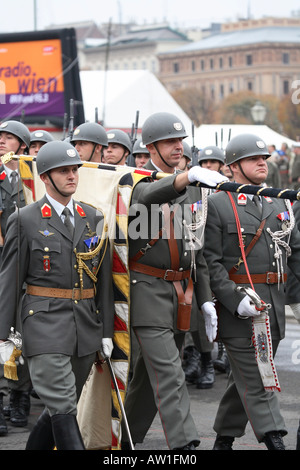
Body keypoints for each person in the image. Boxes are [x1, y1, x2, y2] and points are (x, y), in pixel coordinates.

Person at [121, 112, 226, 450]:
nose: (178, 147)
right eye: (169, 142)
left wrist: (206, 299)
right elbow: (145, 198)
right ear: (150, 147)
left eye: (180, 141)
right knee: (170, 374)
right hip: (147, 292)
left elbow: (199, 250)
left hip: (181, 294)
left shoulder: (194, 190)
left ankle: (123, 444)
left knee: (148, 383)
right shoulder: (134, 179)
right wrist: (183, 179)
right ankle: (186, 446)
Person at [0, 140, 115, 450]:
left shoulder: (93, 217)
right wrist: (4, 337)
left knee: (58, 410)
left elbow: (102, 279)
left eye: (74, 170)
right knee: (63, 406)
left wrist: (105, 330)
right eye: (63, 171)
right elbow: (9, 281)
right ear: (45, 178)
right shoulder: (25, 220)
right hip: (43, 324)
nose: (72, 176)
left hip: (83, 327)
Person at [204, 133, 300, 450]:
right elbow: (210, 262)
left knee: (246, 375)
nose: (262, 162)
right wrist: (232, 298)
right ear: (233, 167)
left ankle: (224, 437)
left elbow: (296, 253)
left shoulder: (279, 201)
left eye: (264, 158)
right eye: (253, 159)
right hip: (241, 307)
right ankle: (275, 439)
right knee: (259, 377)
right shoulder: (218, 203)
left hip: (274, 303)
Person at [0, 120, 31, 435]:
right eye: (0, 136)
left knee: (21, 335)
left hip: (23, 267)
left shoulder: (30, 179)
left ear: (22, 146)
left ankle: (20, 397)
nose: (2, 141)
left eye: (9, 138)